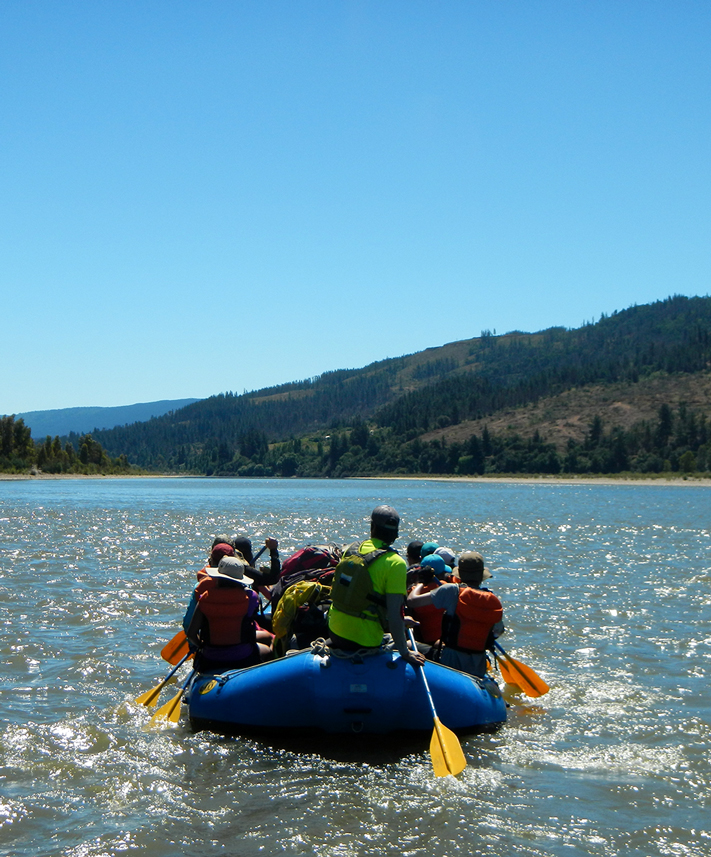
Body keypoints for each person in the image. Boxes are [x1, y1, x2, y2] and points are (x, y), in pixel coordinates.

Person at [328, 505, 424, 668]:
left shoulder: (350, 550)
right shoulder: (396, 563)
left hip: (334, 630)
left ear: (372, 527)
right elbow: (394, 615)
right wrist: (405, 652)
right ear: (395, 534)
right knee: (397, 639)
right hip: (364, 641)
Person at [407, 550, 504, 677]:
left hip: (450, 661)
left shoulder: (452, 590)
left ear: (461, 573)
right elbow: (498, 631)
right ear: (481, 575)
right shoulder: (492, 600)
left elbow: (412, 601)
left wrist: (420, 584)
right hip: (478, 664)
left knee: (408, 644)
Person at [183, 555, 273, 673]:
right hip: (243, 657)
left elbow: (191, 634)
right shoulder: (250, 597)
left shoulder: (204, 598)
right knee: (269, 644)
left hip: (210, 658)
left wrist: (202, 646)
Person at [407, 554, 449, 645]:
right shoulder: (446, 588)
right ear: (441, 573)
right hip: (444, 641)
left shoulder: (413, 591)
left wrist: (421, 582)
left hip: (423, 641)